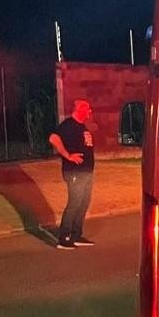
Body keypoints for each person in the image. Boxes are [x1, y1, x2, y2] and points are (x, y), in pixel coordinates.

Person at [48, 99, 97, 250]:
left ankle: (76, 235)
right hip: (75, 172)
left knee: (84, 203)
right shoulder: (68, 125)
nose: (90, 112)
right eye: (87, 109)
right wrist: (67, 155)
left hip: (86, 172)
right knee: (74, 203)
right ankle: (63, 238)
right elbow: (53, 138)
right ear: (80, 109)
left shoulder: (82, 126)